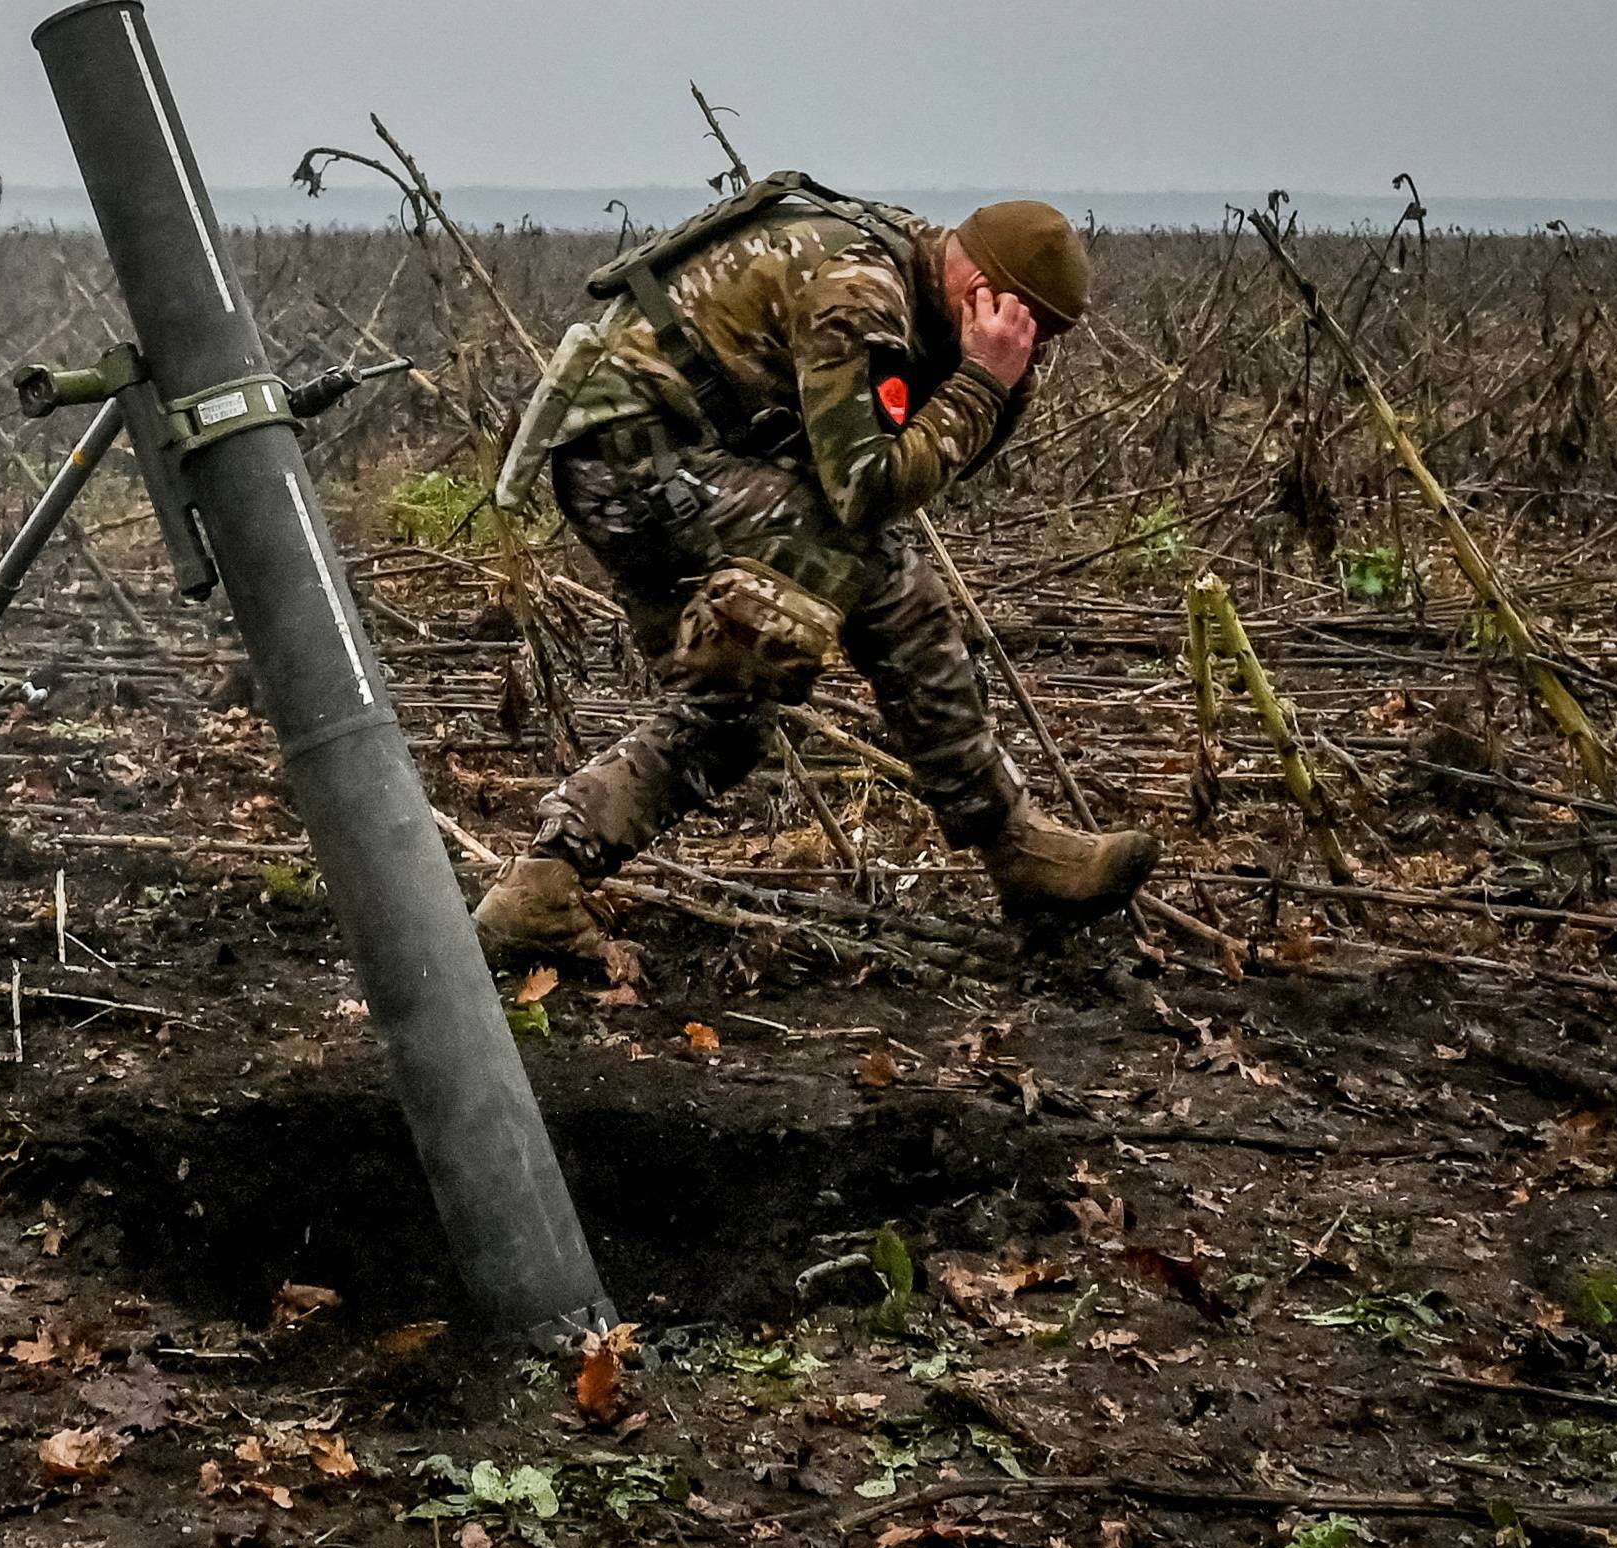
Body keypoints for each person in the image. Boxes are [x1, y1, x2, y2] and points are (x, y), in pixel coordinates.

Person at [475, 174, 1157, 959]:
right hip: (636, 461)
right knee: (893, 584)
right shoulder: (861, 293)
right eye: (1028, 327)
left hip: (656, 460)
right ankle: (1018, 849)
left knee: (729, 719)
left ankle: (541, 889)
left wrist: (999, 388)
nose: (1029, 347)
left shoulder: (916, 268)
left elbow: (913, 467)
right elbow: (867, 491)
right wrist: (980, 384)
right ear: (981, 288)